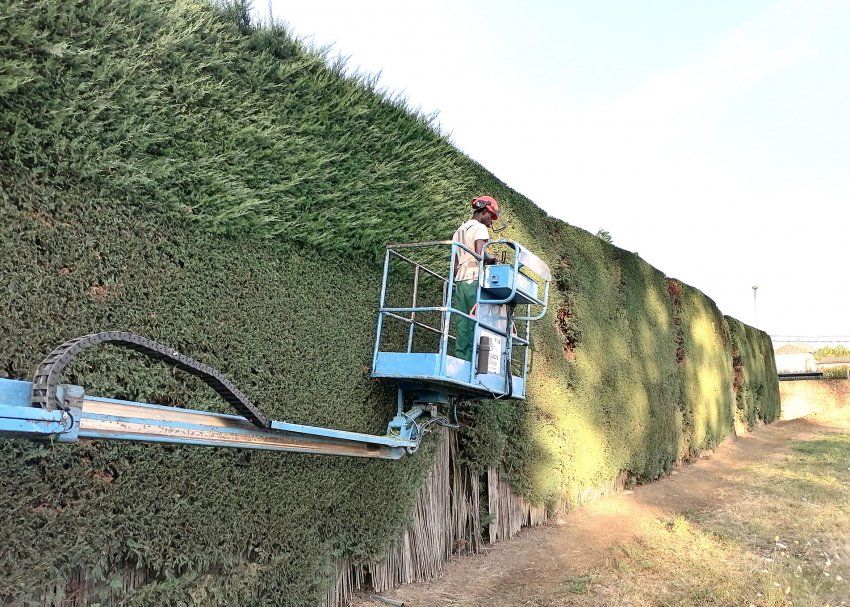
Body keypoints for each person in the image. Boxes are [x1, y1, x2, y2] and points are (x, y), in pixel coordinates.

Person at [451, 195, 500, 361]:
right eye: (491, 217)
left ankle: (461, 358)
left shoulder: (459, 230)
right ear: (484, 211)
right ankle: (473, 362)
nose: (491, 222)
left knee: (462, 322)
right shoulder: (480, 228)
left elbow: (455, 261)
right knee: (475, 321)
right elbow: (480, 254)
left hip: (460, 280)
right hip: (473, 279)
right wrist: (491, 259)